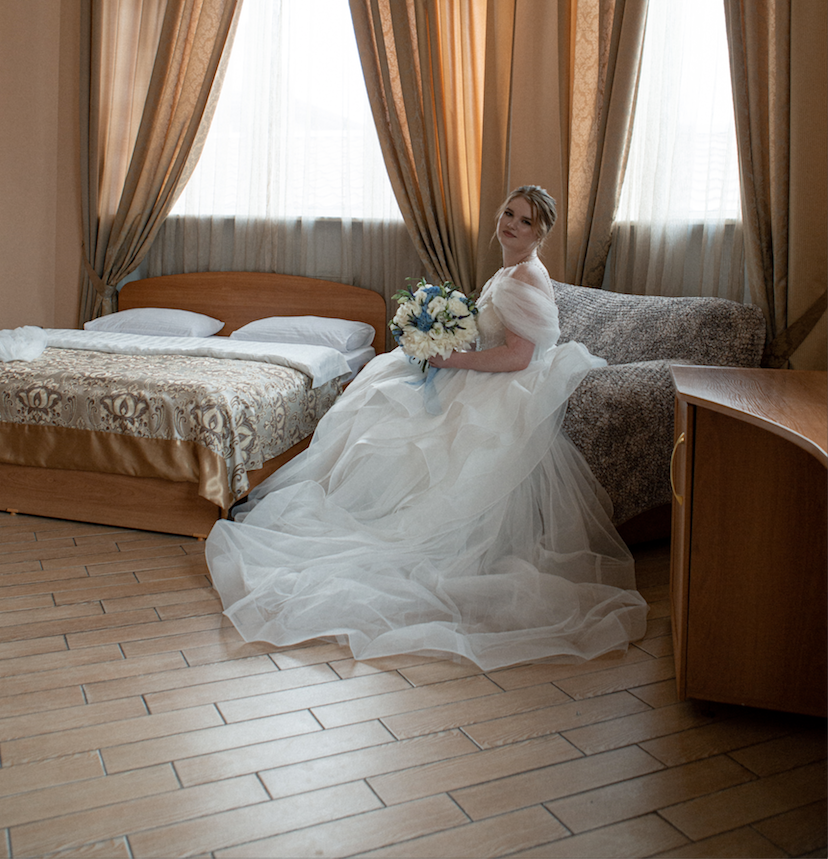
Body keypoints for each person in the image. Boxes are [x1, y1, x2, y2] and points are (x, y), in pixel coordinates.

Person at [206, 186, 648, 669]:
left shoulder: (522, 278)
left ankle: (376, 518)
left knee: (391, 410)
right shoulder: (511, 271)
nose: (511, 225)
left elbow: (519, 356)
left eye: (525, 221)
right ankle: (363, 501)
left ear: (541, 233)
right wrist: (443, 337)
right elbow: (497, 336)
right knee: (382, 390)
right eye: (508, 213)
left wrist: (452, 359)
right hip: (488, 372)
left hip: (506, 385)